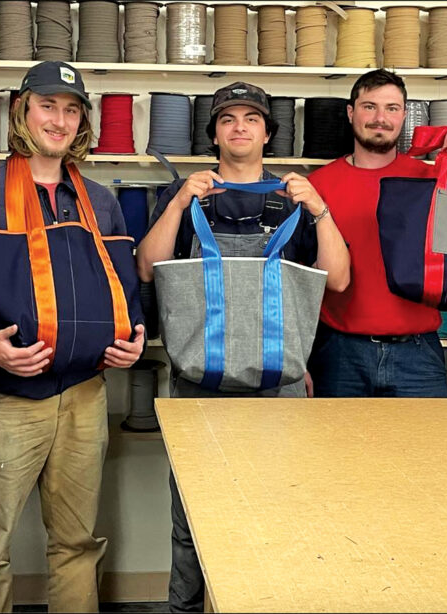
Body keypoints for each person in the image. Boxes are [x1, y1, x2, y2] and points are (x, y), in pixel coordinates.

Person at [0, 61, 145, 613]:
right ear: (21, 111)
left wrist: (134, 338)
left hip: (84, 397)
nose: (59, 119)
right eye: (47, 105)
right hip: (7, 404)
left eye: (72, 109)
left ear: (83, 123)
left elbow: (124, 292)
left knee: (77, 544)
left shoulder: (101, 203)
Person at [136, 81, 350, 613]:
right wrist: (182, 198)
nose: (239, 127)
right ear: (214, 133)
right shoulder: (186, 197)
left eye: (250, 119)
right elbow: (147, 265)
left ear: (266, 132)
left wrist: (320, 209)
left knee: (276, 514)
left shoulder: (293, 198)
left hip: (278, 389)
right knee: (192, 518)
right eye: (227, 118)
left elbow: (339, 280)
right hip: (198, 386)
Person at [306, 69, 447, 398]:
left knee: (426, 450)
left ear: (404, 115)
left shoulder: (431, 180)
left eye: (392, 108)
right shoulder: (318, 186)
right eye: (369, 107)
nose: (380, 118)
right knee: (335, 451)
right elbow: (301, 283)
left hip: (417, 354)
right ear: (351, 112)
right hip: (338, 353)